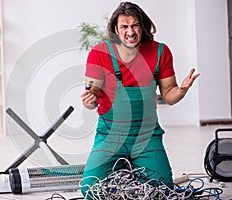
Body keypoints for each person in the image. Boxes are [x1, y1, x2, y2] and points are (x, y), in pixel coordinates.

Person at [80, 1, 200, 199]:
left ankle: (134, 176)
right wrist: (89, 99)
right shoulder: (100, 53)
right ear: (115, 30)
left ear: (143, 26)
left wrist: (182, 90)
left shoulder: (160, 52)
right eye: (124, 27)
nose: (130, 32)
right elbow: (90, 99)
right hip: (110, 136)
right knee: (90, 189)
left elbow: (169, 95)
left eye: (135, 25)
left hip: (147, 136)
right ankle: (128, 178)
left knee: (162, 191)